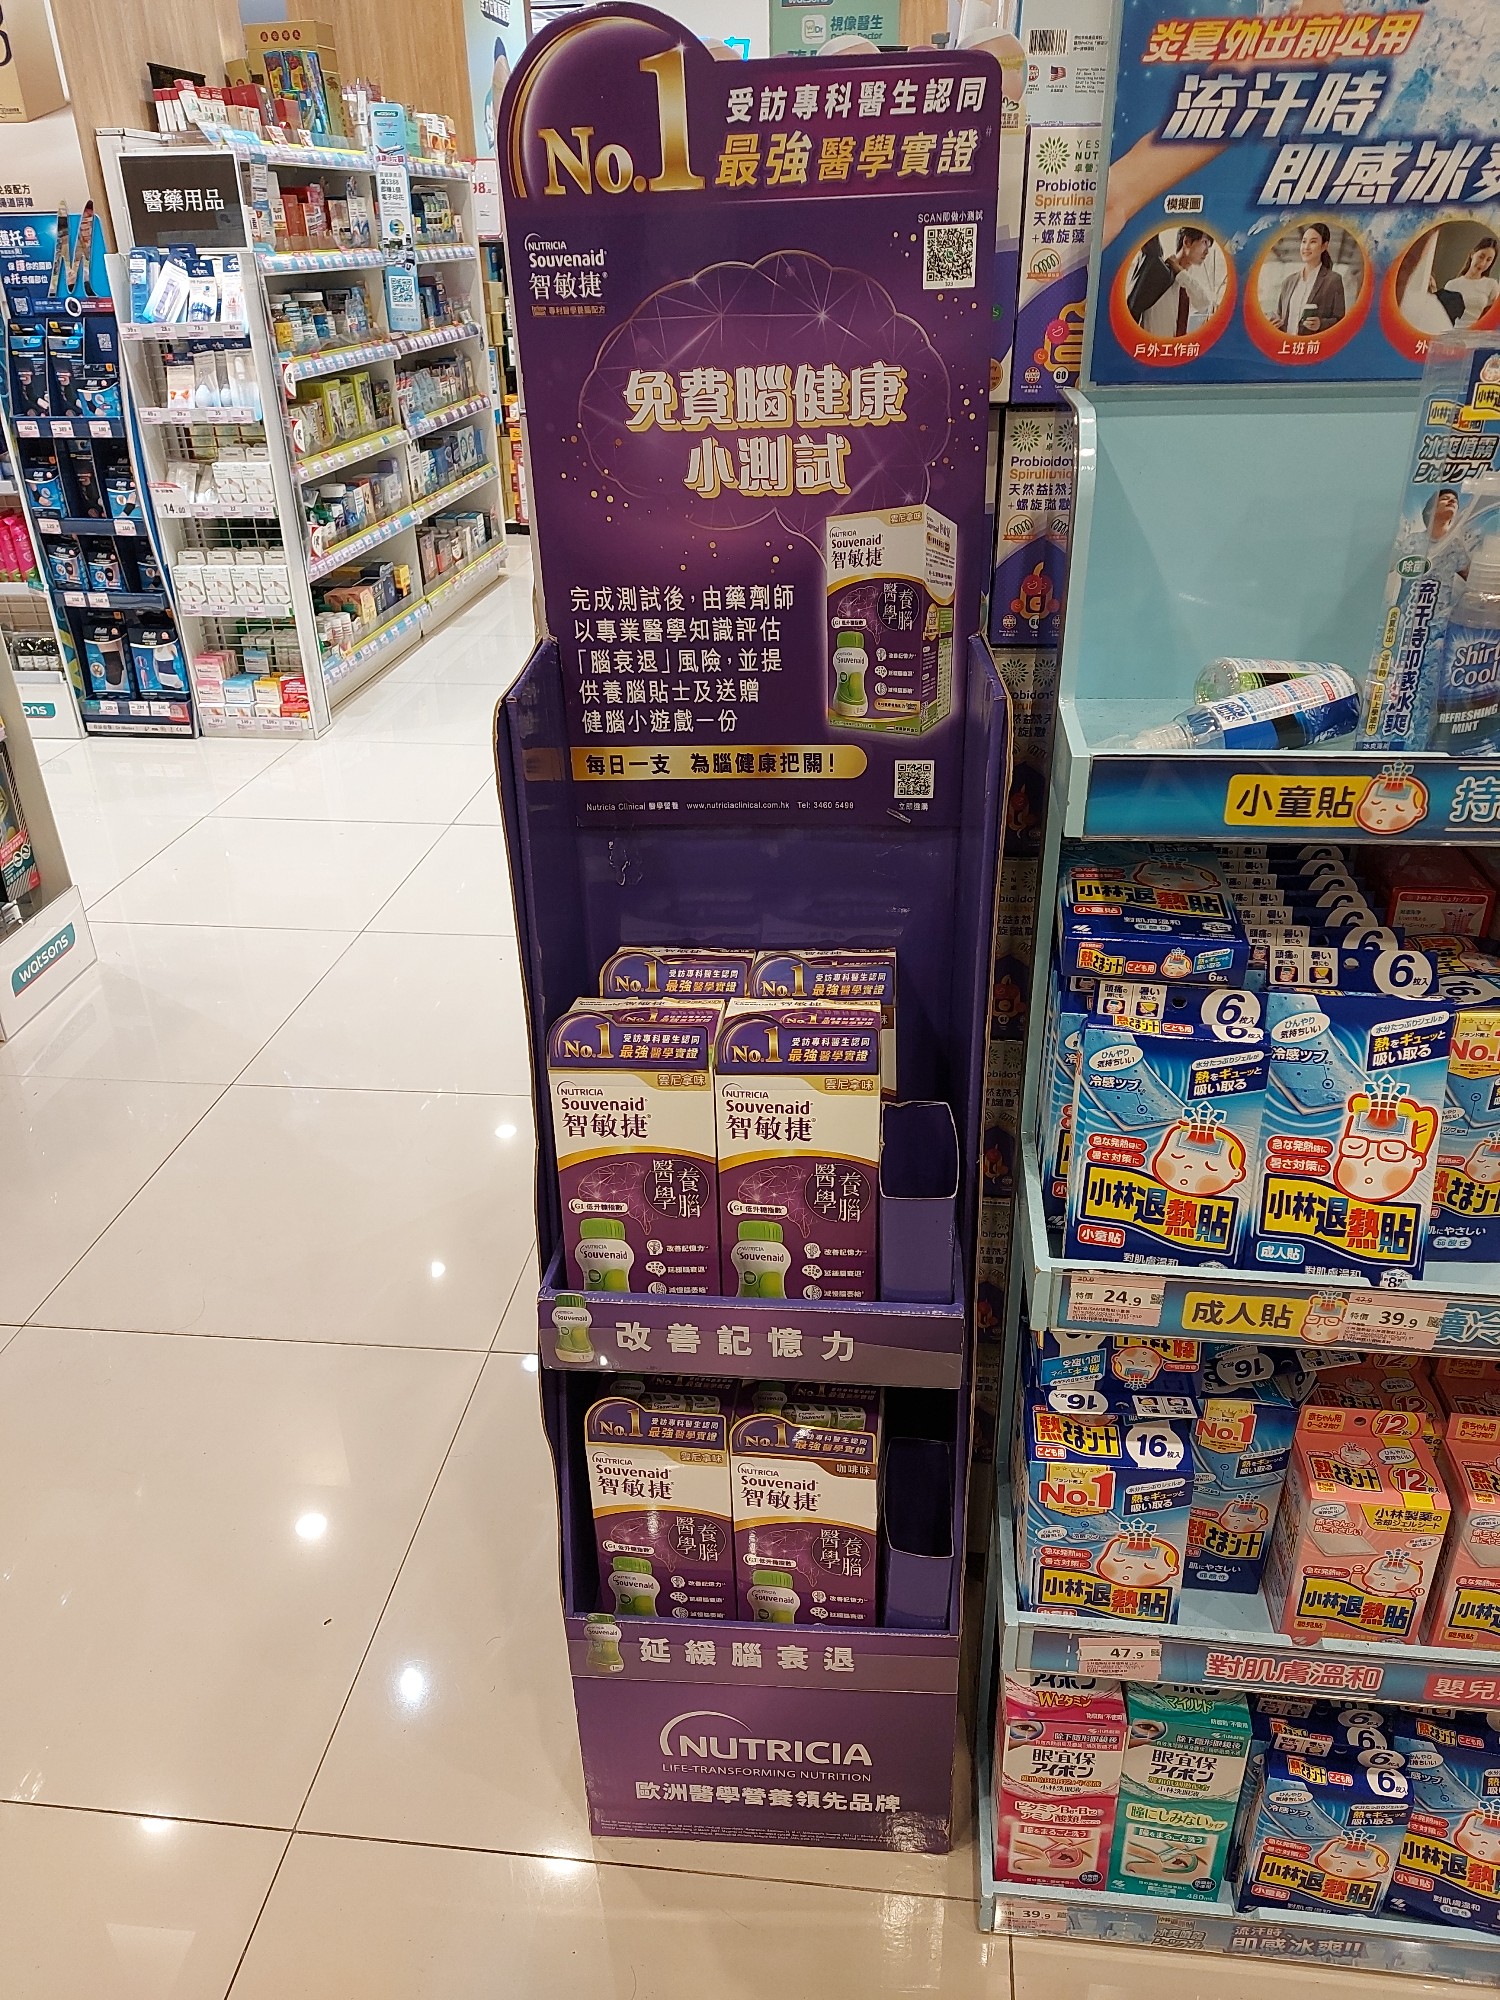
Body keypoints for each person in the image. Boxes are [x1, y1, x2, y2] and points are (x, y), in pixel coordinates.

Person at [1127, 227, 1217, 338]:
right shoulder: (1159, 273)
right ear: (1187, 242)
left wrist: (1180, 272)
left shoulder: (1188, 283)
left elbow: (1204, 303)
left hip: (1176, 347)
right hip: (1151, 345)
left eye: (1209, 247)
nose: (1207, 252)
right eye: (1204, 243)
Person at [1272, 223, 1346, 334]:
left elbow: (1340, 321)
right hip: (1287, 343)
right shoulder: (1288, 282)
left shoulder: (1333, 280)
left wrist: (1320, 324)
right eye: (1304, 241)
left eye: (1313, 242)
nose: (1306, 247)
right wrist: (1274, 324)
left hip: (1314, 344)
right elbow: (1280, 317)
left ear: (1324, 246)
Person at [1434, 236, 1500, 329]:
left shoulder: (1491, 284)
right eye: (1481, 257)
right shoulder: (1452, 284)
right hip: (1452, 333)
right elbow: (1442, 316)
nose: (1483, 263)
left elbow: (1495, 316)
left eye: (1488, 260)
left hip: (1477, 334)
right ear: (1472, 254)